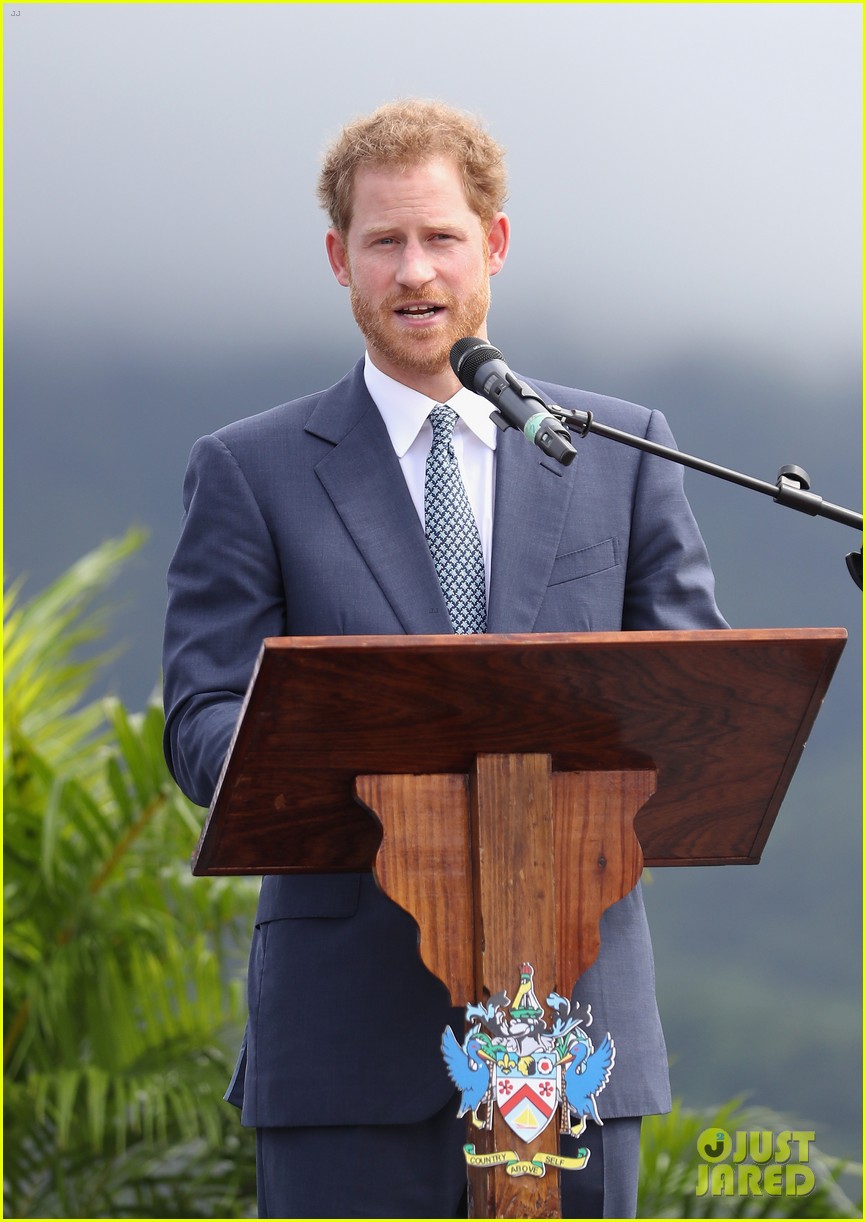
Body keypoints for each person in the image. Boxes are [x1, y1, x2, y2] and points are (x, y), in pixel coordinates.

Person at [162, 98, 728, 1219]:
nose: (414, 271)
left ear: (494, 246)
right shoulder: (250, 470)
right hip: (344, 1040)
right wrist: (343, 760)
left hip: (574, 1036)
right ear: (339, 260)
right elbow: (203, 715)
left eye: (440, 238)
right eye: (383, 242)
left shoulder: (616, 450)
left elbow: (695, 699)